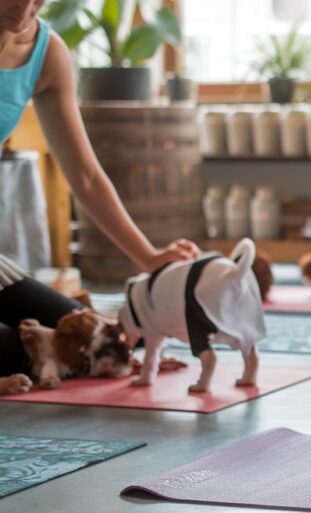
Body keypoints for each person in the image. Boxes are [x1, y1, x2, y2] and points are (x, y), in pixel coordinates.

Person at [0, 0, 200, 389]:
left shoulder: (47, 54)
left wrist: (151, 260)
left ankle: (63, 359)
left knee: (92, 337)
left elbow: (87, 176)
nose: (25, 8)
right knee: (20, 348)